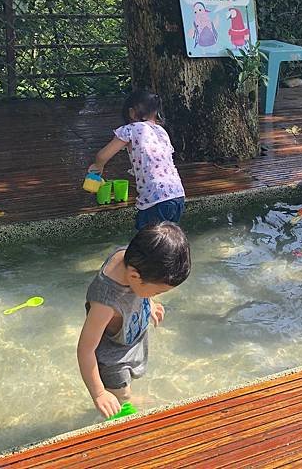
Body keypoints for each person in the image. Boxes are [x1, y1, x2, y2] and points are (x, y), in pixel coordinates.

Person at [77, 222, 191, 419]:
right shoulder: (105, 303)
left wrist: (149, 302)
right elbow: (85, 350)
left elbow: (141, 287)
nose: (156, 294)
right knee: (121, 392)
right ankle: (122, 400)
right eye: (157, 291)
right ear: (134, 276)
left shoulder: (133, 258)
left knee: (128, 384)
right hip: (113, 358)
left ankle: (124, 396)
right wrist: (99, 394)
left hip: (130, 336)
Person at [88, 90, 185, 230]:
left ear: (132, 113)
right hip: (177, 195)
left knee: (145, 243)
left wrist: (98, 166)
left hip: (155, 199)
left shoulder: (130, 129)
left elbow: (102, 155)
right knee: (166, 241)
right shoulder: (161, 131)